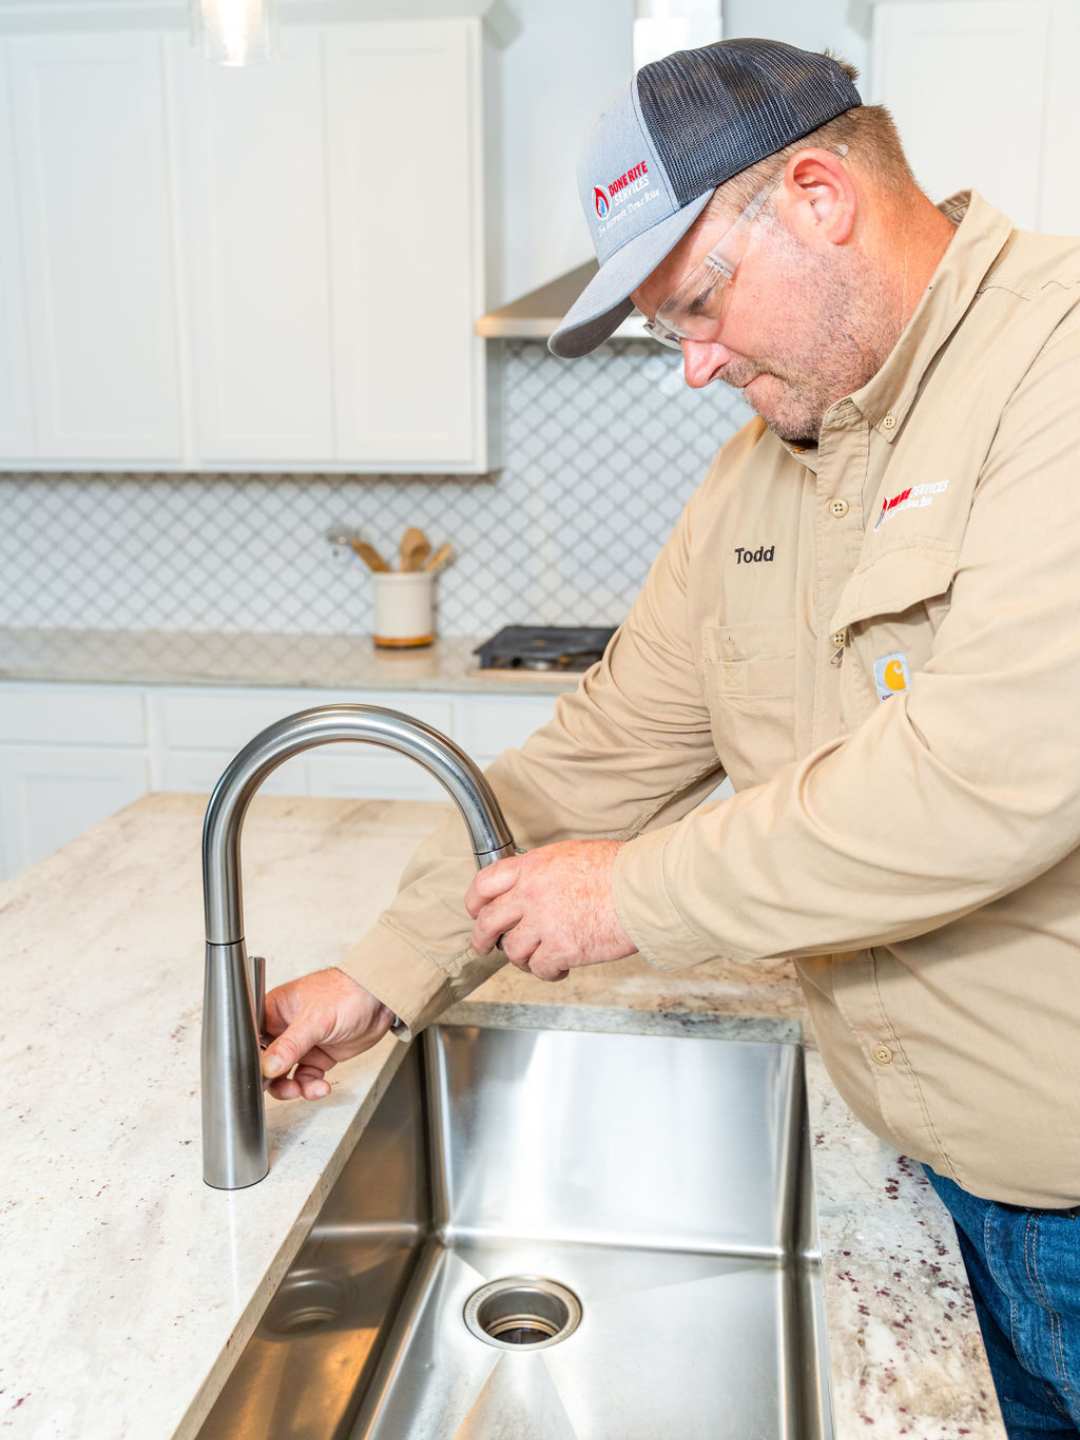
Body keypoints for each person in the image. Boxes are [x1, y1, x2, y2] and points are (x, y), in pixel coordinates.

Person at [260, 39, 1080, 1437]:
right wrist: (387, 972)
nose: (695, 365)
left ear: (819, 195)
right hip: (924, 1188)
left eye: (699, 304)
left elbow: (980, 783)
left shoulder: (1053, 371)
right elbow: (596, 757)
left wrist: (622, 894)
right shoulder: (755, 477)